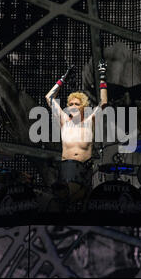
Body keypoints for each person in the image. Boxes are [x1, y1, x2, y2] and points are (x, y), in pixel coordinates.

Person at [44, 61, 108, 205]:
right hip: (65, 173)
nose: (72, 106)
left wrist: (102, 76)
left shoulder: (89, 121)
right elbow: (49, 98)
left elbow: (103, 102)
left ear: (83, 107)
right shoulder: (64, 121)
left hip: (84, 172)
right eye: (70, 104)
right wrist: (63, 78)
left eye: (76, 104)